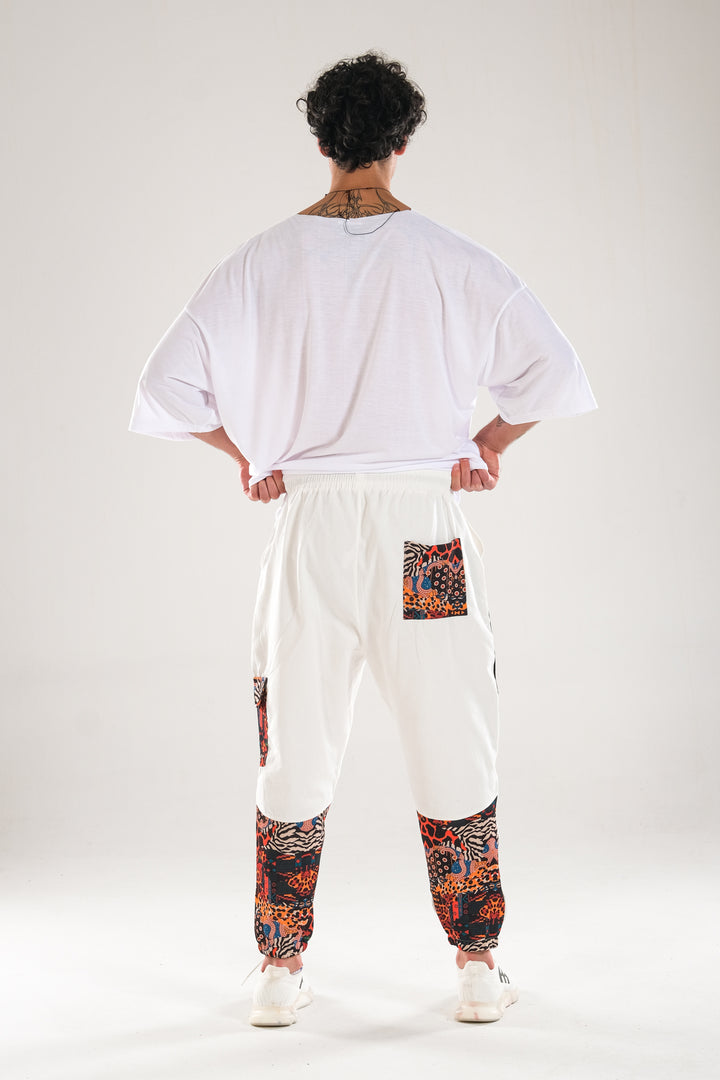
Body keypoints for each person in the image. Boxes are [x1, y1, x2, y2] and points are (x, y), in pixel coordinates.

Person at [128, 50, 597, 1028]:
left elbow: (166, 386)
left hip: (311, 529)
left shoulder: (259, 262)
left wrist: (250, 457)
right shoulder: (454, 258)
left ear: (321, 142)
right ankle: (477, 962)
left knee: (294, 740)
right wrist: (485, 443)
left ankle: (279, 968)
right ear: (402, 142)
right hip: (422, 528)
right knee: (452, 724)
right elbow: (552, 371)